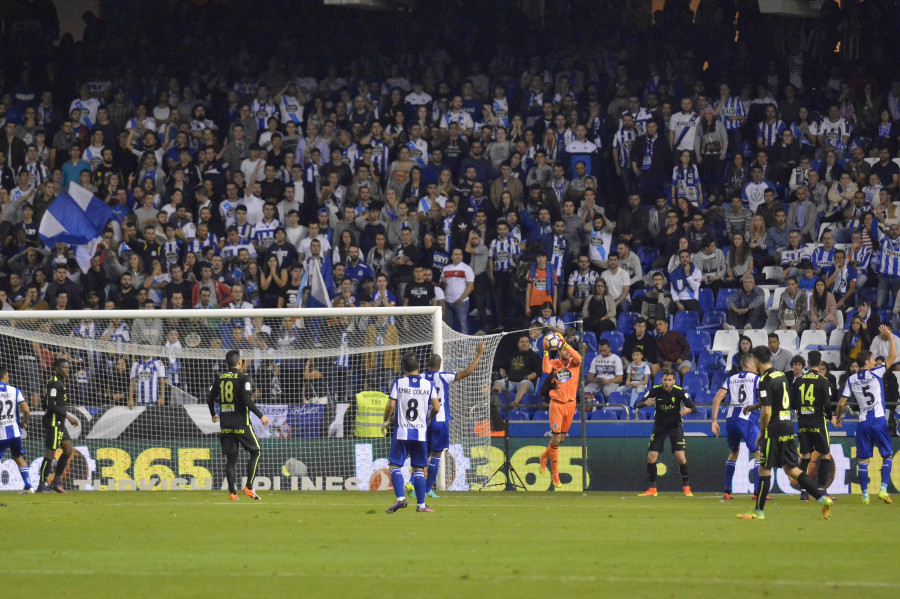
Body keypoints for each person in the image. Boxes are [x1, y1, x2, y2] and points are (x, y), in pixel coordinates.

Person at [738, 346, 833, 520]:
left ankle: (758, 511)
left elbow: (766, 413)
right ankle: (821, 499)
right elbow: (779, 399)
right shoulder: (781, 375)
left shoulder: (764, 379)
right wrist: (755, 406)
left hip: (773, 429)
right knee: (791, 468)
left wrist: (761, 433)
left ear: (757, 361)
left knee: (764, 468)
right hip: (787, 426)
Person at [833, 326, 896, 505]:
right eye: (872, 360)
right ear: (867, 363)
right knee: (887, 455)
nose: (875, 362)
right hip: (878, 420)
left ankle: (865, 495)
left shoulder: (851, 379)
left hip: (862, 422)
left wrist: (838, 417)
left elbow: (842, 403)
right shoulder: (876, 373)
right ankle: (883, 489)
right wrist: (890, 337)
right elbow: (892, 357)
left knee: (863, 459)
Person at [422, 342, 485, 498]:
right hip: (439, 420)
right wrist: (478, 355)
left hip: (423, 421)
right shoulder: (444, 376)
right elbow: (467, 372)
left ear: (427, 365)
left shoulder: (421, 378)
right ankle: (428, 488)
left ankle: (413, 483)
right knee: (436, 456)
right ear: (440, 365)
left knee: (422, 455)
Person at [207, 349, 270, 501]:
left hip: (226, 424)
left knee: (231, 460)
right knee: (256, 452)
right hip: (241, 423)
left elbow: (209, 399)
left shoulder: (219, 378)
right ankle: (248, 486)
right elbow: (247, 400)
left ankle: (233, 493)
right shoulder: (244, 378)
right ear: (240, 361)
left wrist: (213, 414)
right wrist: (261, 415)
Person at [382, 351, 440, 513]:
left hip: (402, 433)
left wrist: (386, 421)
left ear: (403, 367)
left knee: (395, 465)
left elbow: (391, 406)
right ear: (419, 366)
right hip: (421, 433)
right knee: (419, 469)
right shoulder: (428, 385)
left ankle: (401, 499)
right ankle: (421, 505)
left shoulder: (399, 383)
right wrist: (428, 418)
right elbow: (436, 407)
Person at [635, 368, 697, 497]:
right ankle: (652, 489)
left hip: (675, 425)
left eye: (669, 380)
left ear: (674, 381)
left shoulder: (679, 392)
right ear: (661, 380)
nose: (667, 382)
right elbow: (637, 404)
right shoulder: (655, 390)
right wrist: (645, 403)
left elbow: (694, 407)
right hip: (660, 426)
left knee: (680, 457)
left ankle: (686, 487)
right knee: (651, 457)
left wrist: (688, 411)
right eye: (665, 380)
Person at [711, 353, 761, 500]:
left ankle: (727, 492)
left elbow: (717, 399)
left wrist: (714, 421)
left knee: (733, 453)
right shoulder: (756, 379)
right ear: (748, 365)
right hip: (746, 419)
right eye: (754, 364)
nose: (756, 367)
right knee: (759, 454)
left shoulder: (730, 379)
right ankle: (758, 493)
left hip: (731, 420)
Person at [539, 333, 582, 488]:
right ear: (558, 351)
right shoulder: (554, 363)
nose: (565, 352)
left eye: (567, 350)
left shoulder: (574, 363)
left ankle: (544, 456)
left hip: (571, 404)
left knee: (562, 438)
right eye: (563, 350)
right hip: (556, 404)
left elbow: (579, 358)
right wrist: (545, 351)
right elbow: (545, 369)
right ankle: (555, 475)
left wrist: (565, 344)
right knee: (556, 439)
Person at [791, 351, 834, 501]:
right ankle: (821, 490)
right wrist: (831, 417)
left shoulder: (798, 381)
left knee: (805, 457)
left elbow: (792, 403)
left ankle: (803, 491)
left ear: (807, 363)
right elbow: (827, 404)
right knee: (825, 455)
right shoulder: (823, 381)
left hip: (803, 423)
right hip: (818, 422)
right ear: (820, 362)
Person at [37, 358, 78, 493]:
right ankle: (42, 485)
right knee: (50, 453)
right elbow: (51, 404)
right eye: (64, 368)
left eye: (68, 367)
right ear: (57, 369)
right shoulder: (54, 383)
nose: (67, 370)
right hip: (53, 423)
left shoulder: (60, 382)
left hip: (60, 423)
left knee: (68, 450)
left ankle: (56, 482)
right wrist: (68, 416)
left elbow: (46, 402)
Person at [0, 364, 33, 493]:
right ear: (4, 375)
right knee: (19, 457)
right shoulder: (15, 390)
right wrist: (24, 422)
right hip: (14, 433)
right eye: (8, 375)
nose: (8, 377)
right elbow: (26, 410)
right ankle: (29, 486)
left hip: (1, 434)